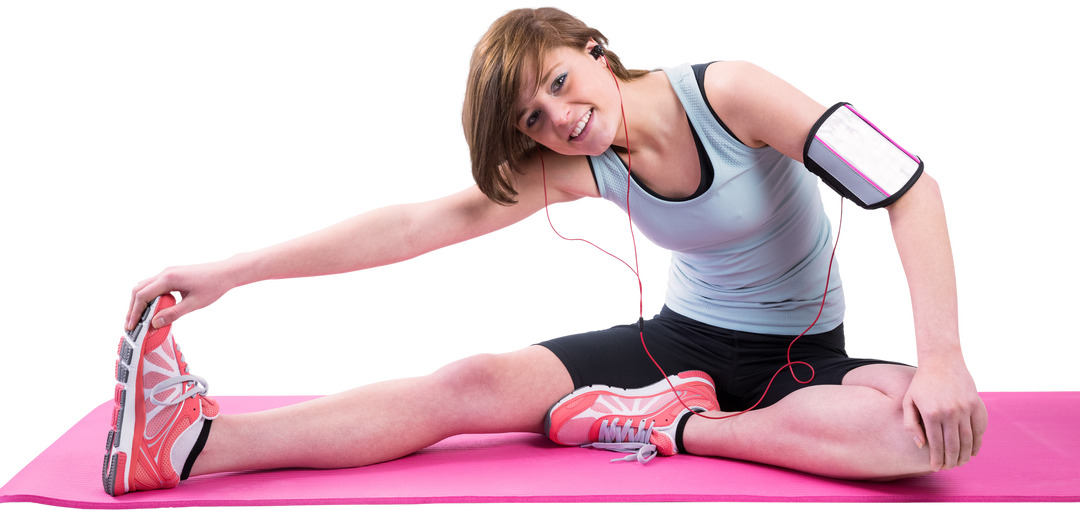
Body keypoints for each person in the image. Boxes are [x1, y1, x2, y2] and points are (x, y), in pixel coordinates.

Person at [104, 3, 985, 496]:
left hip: (804, 356)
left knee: (922, 438)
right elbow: (417, 225)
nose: (559, 120)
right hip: (677, 341)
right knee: (465, 384)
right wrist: (228, 272)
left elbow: (911, 188)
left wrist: (944, 361)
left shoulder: (733, 90)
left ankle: (675, 426)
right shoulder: (580, 164)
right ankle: (193, 445)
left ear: (596, 51)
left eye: (560, 83)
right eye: (533, 117)